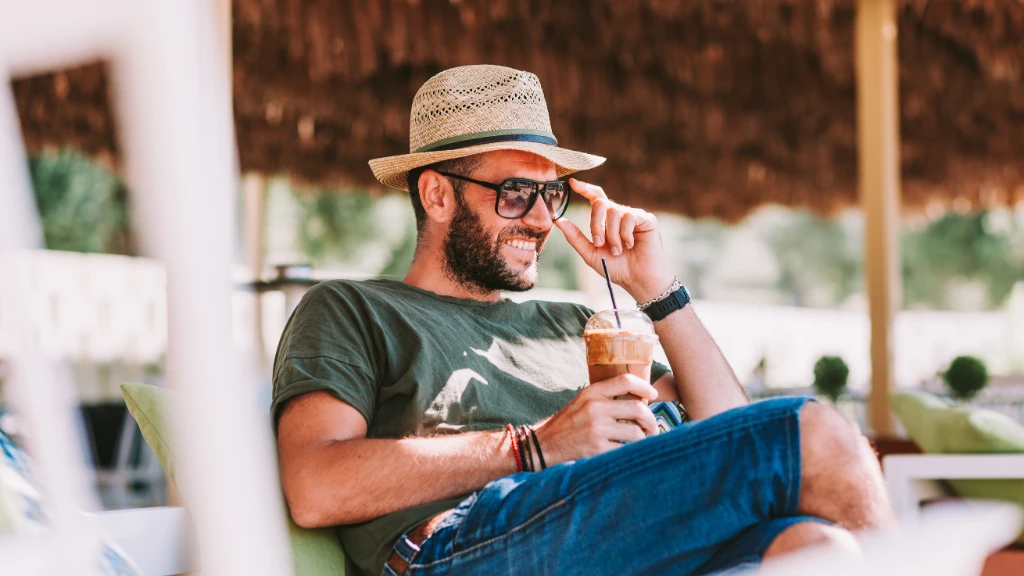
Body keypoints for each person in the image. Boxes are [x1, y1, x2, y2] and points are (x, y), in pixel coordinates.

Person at [272, 65, 893, 576]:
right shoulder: (355, 310)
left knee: (815, 550)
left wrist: (658, 292)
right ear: (438, 195)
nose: (542, 220)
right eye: (516, 192)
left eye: (553, 194)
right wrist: (537, 446)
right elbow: (315, 485)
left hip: (610, 534)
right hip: (461, 546)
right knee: (815, 433)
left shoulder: (578, 323)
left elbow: (725, 433)